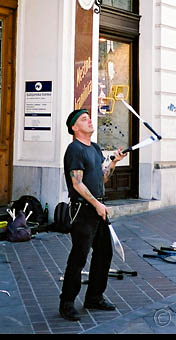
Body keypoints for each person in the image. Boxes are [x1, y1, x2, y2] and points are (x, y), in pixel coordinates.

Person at [59, 108, 127, 322]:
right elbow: (76, 183)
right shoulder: (74, 149)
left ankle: (94, 297)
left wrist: (114, 161)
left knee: (104, 253)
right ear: (74, 127)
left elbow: (102, 178)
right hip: (83, 211)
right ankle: (67, 303)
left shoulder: (95, 148)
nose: (89, 121)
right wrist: (96, 203)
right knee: (78, 257)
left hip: (98, 208)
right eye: (83, 119)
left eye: (89, 118)